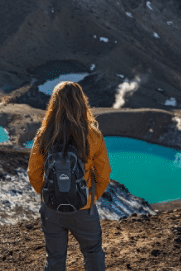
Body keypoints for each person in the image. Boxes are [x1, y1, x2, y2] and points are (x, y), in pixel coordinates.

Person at [28, 81, 111, 271]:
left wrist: (49, 195)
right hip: (84, 209)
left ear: (54, 104)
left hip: (52, 210)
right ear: (81, 103)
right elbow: (104, 173)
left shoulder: (44, 135)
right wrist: (91, 198)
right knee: (92, 252)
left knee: (55, 258)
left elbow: (33, 173)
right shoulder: (92, 134)